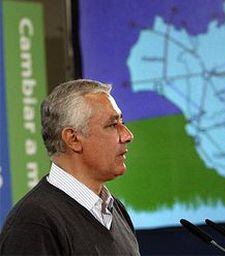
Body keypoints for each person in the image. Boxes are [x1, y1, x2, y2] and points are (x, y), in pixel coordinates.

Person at [0, 79, 140, 255]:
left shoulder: (116, 210)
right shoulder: (34, 223)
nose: (127, 135)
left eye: (123, 123)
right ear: (73, 139)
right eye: (113, 125)